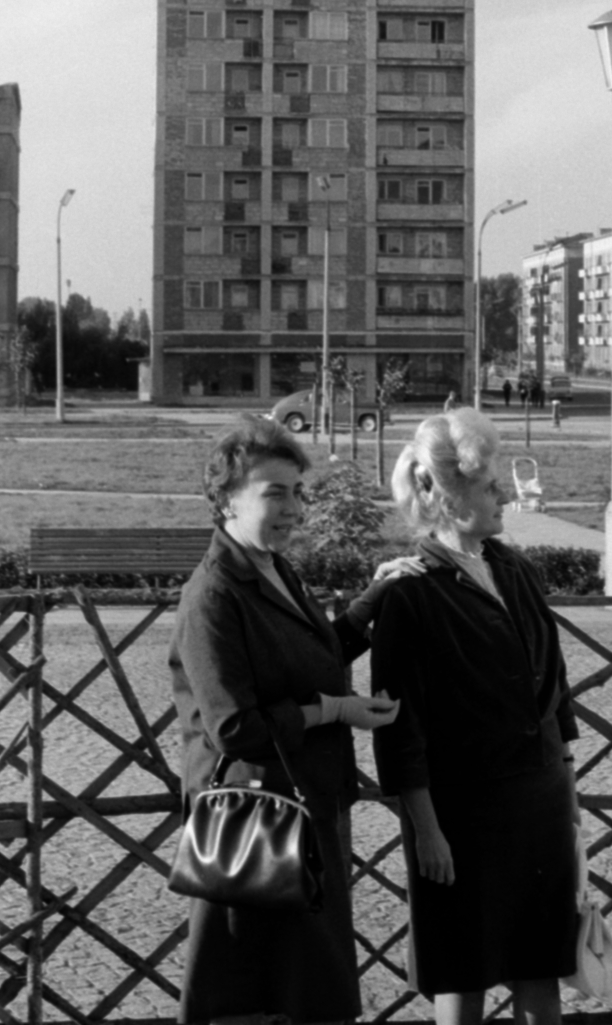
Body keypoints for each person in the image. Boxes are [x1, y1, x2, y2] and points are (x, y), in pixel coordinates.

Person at [169, 413, 418, 1025]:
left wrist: (372, 599)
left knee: (306, 986)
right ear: (226, 499)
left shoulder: (274, 568)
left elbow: (313, 658)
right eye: (274, 493)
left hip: (305, 804)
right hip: (253, 823)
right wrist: (337, 711)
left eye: (298, 492)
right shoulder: (213, 595)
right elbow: (233, 727)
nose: (294, 508)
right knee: (255, 995)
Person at [371, 407, 580, 1025]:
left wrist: (566, 783)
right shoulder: (411, 591)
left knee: (540, 963)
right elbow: (400, 729)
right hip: (460, 814)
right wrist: (426, 830)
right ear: (449, 496)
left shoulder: (516, 568)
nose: (504, 499)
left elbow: (553, 687)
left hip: (537, 799)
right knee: (464, 970)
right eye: (490, 487)